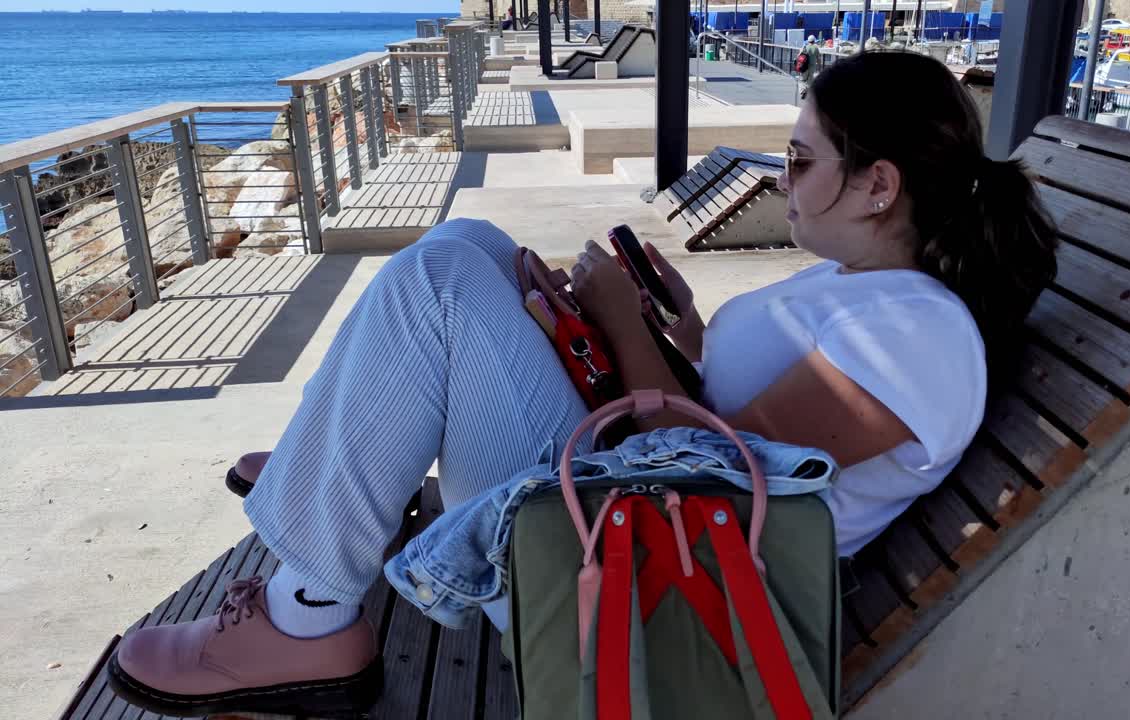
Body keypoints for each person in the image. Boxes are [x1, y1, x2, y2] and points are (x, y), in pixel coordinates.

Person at [108, 51, 1058, 717]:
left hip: (641, 584)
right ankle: (348, 466)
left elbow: (715, 476)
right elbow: (740, 429)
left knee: (442, 282)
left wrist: (612, 319)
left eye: (803, 159)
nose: (782, 174)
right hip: (628, 519)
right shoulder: (869, 292)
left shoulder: (920, 336)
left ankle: (306, 612)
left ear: (879, 185)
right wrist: (671, 333)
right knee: (473, 245)